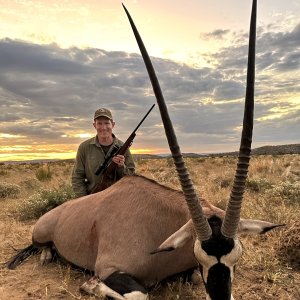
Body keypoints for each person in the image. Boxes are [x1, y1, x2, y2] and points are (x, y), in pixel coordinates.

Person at [72, 108, 135, 197]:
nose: (103, 127)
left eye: (106, 123)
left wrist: (121, 167)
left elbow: (131, 178)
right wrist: (84, 200)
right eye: (99, 123)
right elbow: (77, 177)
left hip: (119, 198)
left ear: (113, 125)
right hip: (92, 199)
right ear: (94, 125)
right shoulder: (84, 147)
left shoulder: (123, 147)